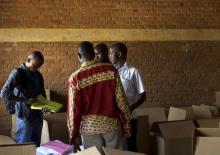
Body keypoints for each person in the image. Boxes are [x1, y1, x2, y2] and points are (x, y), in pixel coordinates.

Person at [67, 41, 131, 154]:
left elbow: (73, 111)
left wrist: (73, 135)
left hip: (89, 130)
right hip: (112, 127)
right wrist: (126, 124)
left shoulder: (75, 78)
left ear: (79, 56)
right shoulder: (110, 70)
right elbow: (122, 101)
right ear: (93, 54)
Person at [1, 51, 46, 147]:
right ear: (29, 60)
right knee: (24, 147)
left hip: (37, 116)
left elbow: (42, 92)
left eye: (38, 67)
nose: (36, 69)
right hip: (25, 117)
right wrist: (25, 100)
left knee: (36, 147)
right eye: (35, 66)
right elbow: (4, 93)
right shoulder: (17, 73)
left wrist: (45, 105)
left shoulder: (38, 75)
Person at [109, 43, 146, 152]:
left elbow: (143, 96)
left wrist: (130, 109)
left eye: (111, 53)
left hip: (129, 120)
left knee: (130, 149)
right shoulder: (111, 73)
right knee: (117, 150)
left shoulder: (133, 72)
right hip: (114, 121)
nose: (109, 55)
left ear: (119, 54)